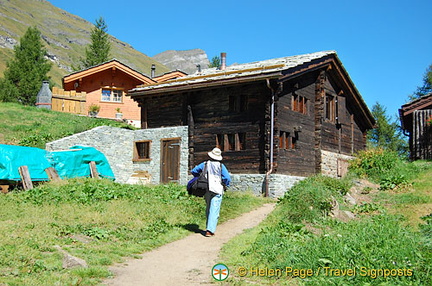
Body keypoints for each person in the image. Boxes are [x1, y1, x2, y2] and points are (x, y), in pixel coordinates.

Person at [191, 147, 231, 237]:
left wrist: (201, 176)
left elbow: (193, 171)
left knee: (208, 208)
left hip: (206, 188)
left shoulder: (205, 164)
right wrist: (225, 184)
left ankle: (208, 227)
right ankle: (210, 230)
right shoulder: (221, 166)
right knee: (214, 209)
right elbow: (227, 178)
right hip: (217, 189)